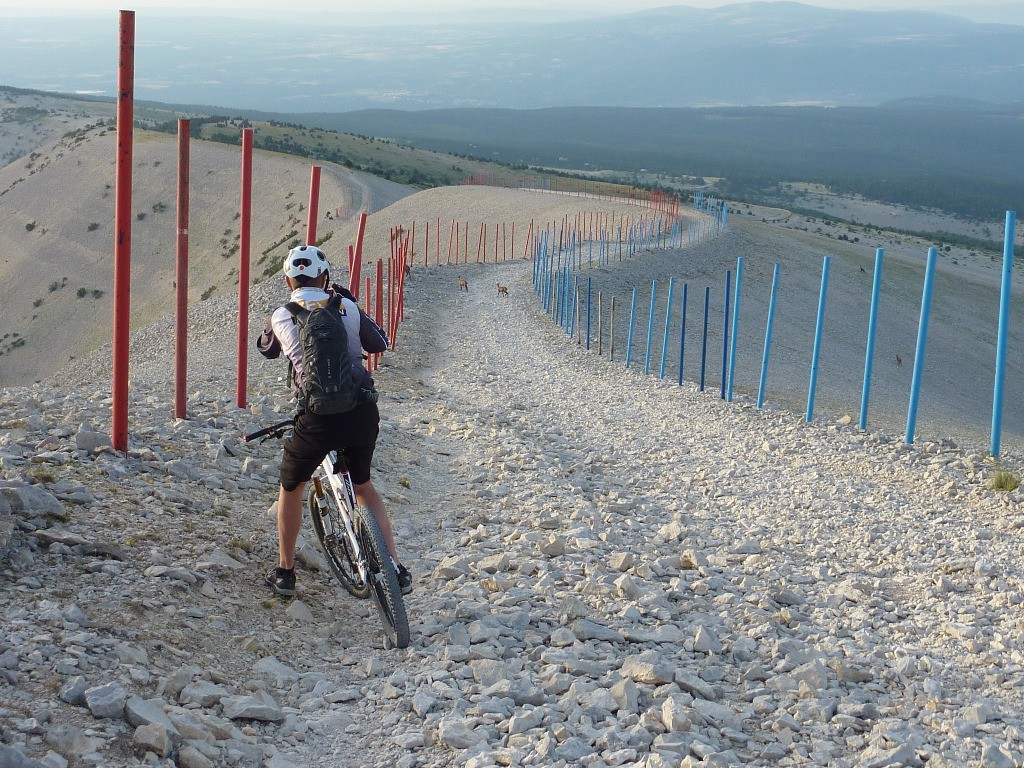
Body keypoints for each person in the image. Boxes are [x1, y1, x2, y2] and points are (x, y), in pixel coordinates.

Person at [256, 244, 412, 597]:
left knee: (291, 486)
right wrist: (348, 301)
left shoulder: (282, 313)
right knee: (364, 486)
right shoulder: (346, 305)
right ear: (325, 277)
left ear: (287, 280)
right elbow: (379, 343)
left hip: (316, 416)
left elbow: (265, 350)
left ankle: (285, 570)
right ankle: (396, 567)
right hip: (361, 411)